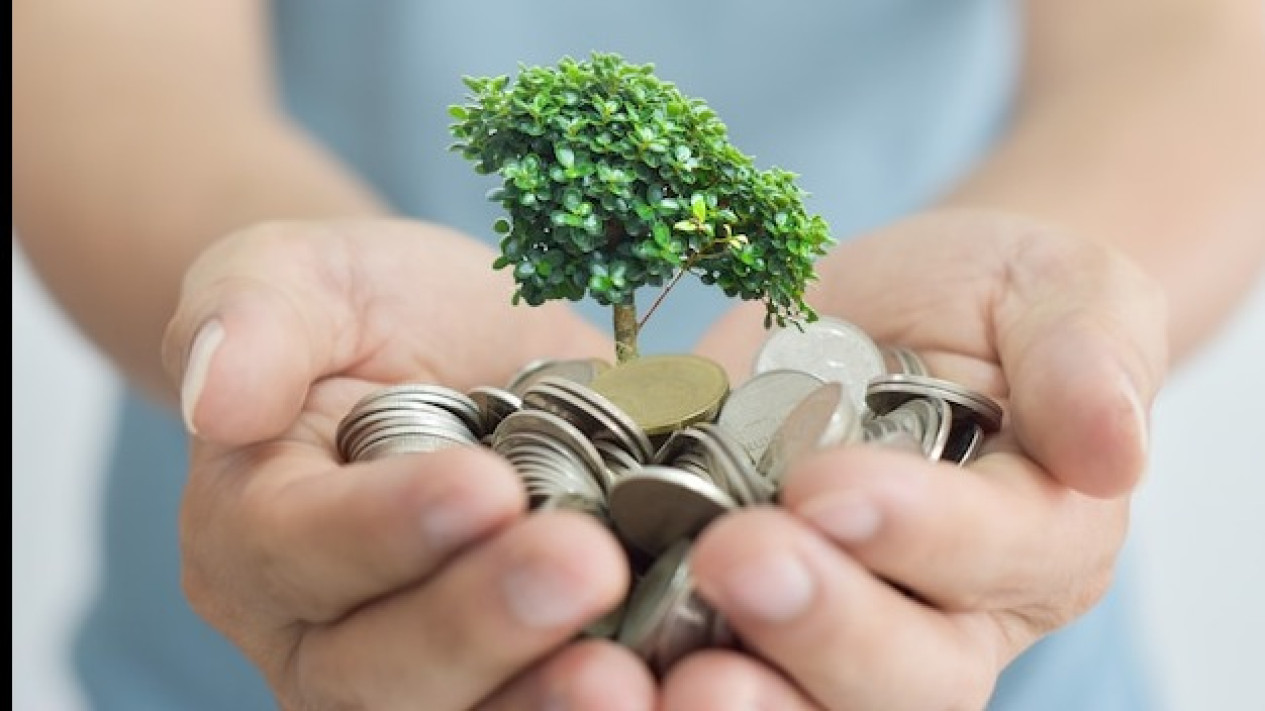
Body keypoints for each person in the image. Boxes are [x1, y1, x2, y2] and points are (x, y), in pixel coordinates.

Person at [12, 1, 1265, 709]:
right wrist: (266, 276)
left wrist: (1050, 287)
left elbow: (1191, 38)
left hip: (968, 611)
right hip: (303, 587)